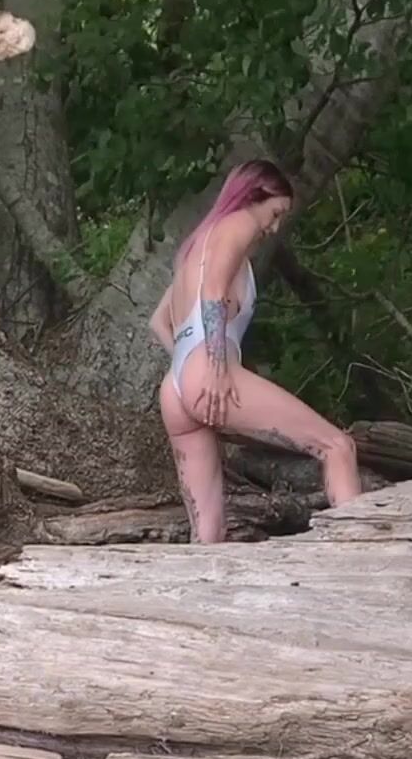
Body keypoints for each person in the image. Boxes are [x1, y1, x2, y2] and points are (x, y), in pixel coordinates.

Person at [150, 159, 360, 541]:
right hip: (209, 373)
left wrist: (188, 367)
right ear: (253, 196)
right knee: (337, 446)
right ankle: (361, 556)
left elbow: (158, 322)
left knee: (208, 534)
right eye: (275, 212)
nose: (274, 227)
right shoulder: (239, 222)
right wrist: (214, 369)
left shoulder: (196, 248)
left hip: (175, 388)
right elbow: (214, 293)